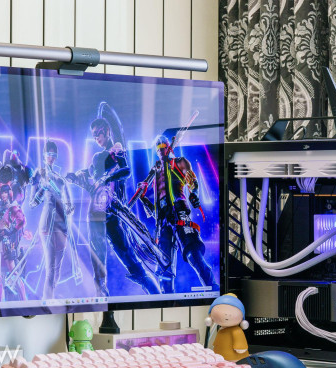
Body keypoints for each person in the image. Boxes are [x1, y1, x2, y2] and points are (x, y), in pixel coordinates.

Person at [67, 117, 161, 295]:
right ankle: (101, 291)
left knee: (130, 259)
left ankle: (158, 296)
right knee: (98, 251)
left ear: (107, 131)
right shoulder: (97, 159)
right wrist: (75, 177)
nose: (96, 138)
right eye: (94, 136)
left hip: (112, 209)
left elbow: (126, 170)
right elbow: (91, 181)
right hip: (98, 209)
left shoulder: (115, 150)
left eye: (99, 133)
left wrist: (108, 177)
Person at [129, 135, 217, 294]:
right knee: (164, 268)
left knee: (193, 254)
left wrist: (194, 194)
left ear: (168, 146)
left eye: (163, 146)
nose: (160, 149)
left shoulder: (179, 162)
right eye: (158, 148)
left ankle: (213, 290)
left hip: (179, 212)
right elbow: (155, 207)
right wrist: (142, 197)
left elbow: (192, 181)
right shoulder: (155, 173)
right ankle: (166, 300)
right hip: (162, 220)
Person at [30, 141, 74, 299]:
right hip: (47, 223)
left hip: (62, 224)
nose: (51, 157)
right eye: (49, 154)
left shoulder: (60, 178)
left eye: (54, 155)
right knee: (50, 267)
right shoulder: (40, 173)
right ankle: (47, 302)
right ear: (44, 155)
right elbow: (32, 203)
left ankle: (50, 298)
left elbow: (68, 203)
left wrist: (69, 207)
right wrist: (43, 188)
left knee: (57, 269)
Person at [0, 185, 30, 301]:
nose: (3, 195)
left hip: (6, 241)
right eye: (2, 192)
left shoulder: (13, 208)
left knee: (14, 273)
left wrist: (10, 231)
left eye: (6, 192)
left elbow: (22, 220)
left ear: (10, 194)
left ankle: (24, 301)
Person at [205, 293, 249, 361]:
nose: (226, 314)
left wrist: (240, 348)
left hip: (234, 359)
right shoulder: (221, 329)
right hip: (220, 358)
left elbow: (241, 346)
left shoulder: (237, 331)